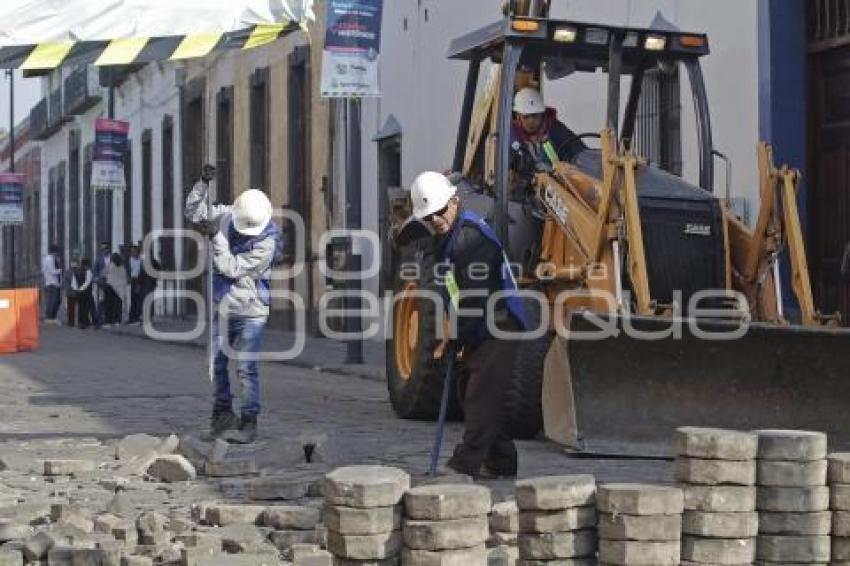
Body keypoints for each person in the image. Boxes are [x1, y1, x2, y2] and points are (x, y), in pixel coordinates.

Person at [409, 171, 530, 479]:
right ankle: (501, 461)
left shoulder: (472, 239)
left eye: (439, 211)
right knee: (470, 392)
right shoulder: (446, 238)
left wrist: (455, 340)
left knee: (480, 393)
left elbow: (474, 300)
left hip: (500, 322)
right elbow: (452, 292)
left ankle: (465, 464)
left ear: (455, 202)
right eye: (429, 216)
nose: (435, 219)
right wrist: (447, 333)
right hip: (479, 322)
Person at [185, 164, 282, 444]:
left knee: (245, 368)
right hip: (224, 306)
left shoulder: (267, 242)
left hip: (252, 311)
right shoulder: (228, 216)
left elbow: (231, 267)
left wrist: (215, 237)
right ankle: (222, 416)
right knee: (217, 363)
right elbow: (193, 212)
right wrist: (202, 184)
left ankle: (249, 421)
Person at [510, 87, 586, 173]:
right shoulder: (511, 137)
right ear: (517, 116)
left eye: (535, 115)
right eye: (526, 116)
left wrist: (573, 165)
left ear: (542, 114)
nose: (531, 121)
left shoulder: (556, 129)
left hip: (558, 182)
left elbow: (579, 151)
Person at [103, 253, 127, 327]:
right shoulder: (122, 267)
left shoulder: (110, 265)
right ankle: (117, 321)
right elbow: (124, 277)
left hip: (110, 287)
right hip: (119, 288)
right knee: (118, 305)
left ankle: (108, 321)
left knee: (109, 305)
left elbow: (104, 274)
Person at [69, 258, 94, 329]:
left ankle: (81, 322)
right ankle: (84, 322)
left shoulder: (76, 271)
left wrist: (76, 289)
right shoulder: (88, 271)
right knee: (85, 308)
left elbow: (73, 282)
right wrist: (81, 289)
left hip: (78, 292)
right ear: (87, 264)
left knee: (81, 307)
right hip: (86, 292)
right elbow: (88, 282)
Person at [42, 245, 63, 324]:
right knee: (54, 300)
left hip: (50, 282)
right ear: (54, 252)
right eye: (57, 252)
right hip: (52, 283)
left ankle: (51, 316)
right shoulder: (50, 259)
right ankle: (50, 317)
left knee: (54, 300)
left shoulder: (47, 259)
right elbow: (52, 271)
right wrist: (60, 270)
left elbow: (44, 270)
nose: (58, 254)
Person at [93, 242, 112, 327]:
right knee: (101, 301)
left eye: (106, 248)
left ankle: (109, 319)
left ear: (109, 249)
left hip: (111, 282)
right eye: (103, 249)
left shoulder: (112, 258)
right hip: (102, 282)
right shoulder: (98, 259)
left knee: (110, 301)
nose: (104, 250)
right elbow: (95, 271)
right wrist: (96, 279)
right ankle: (99, 319)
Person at [127, 245, 143, 324]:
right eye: (132, 252)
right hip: (133, 280)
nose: (133, 253)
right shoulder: (129, 260)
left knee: (139, 299)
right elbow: (128, 270)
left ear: (138, 252)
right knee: (133, 299)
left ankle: (137, 317)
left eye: (134, 251)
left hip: (140, 280)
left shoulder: (141, 260)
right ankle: (131, 317)